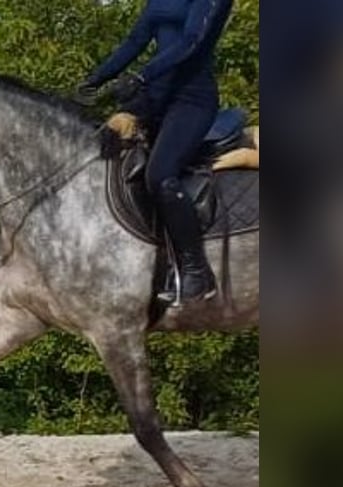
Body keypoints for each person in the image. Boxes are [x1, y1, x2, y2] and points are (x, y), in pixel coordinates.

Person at [78, 0, 234, 303]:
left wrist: (142, 77)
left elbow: (191, 41)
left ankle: (197, 273)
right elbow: (135, 41)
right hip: (155, 99)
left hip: (192, 101)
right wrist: (97, 78)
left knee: (160, 174)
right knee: (102, 153)